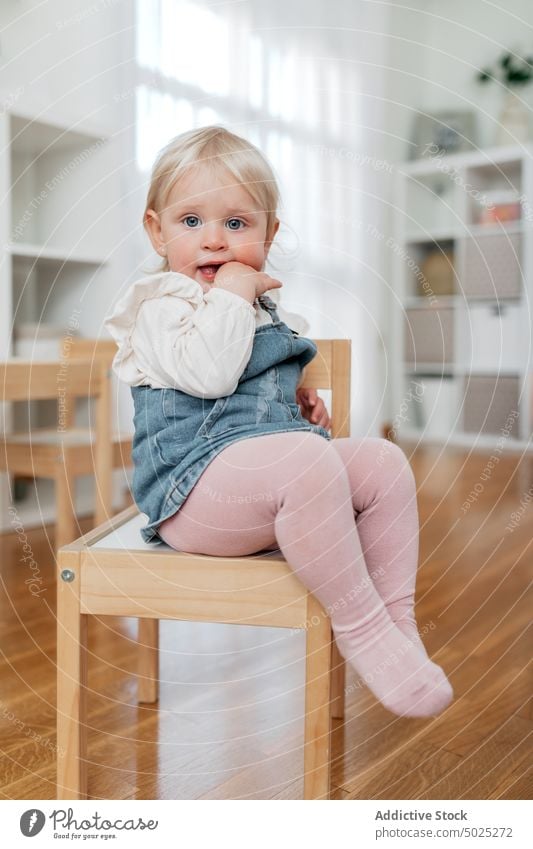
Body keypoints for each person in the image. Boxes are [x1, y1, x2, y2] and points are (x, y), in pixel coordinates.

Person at [104, 126, 453, 719]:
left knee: (380, 461)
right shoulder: (159, 306)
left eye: (236, 224)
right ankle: (363, 627)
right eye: (191, 222)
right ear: (157, 231)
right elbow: (212, 376)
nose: (214, 241)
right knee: (308, 458)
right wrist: (234, 297)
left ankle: (397, 621)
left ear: (270, 235)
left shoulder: (265, 311)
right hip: (189, 500)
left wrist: (299, 399)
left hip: (258, 494)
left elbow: (258, 392)